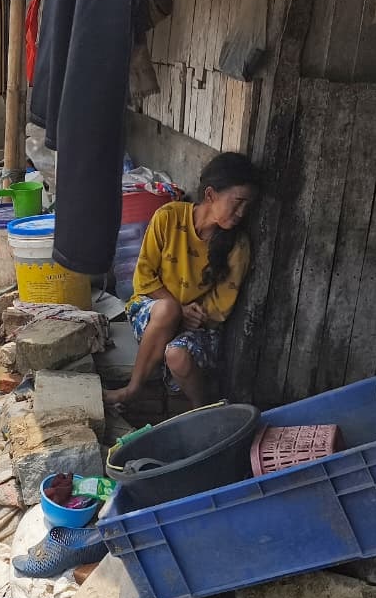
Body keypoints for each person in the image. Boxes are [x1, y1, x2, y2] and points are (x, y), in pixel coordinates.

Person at [103, 152, 260, 410]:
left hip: (197, 325)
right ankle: (133, 389)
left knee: (177, 355)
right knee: (167, 310)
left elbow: (220, 307)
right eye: (238, 202)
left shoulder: (237, 245)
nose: (242, 212)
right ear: (210, 195)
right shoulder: (169, 217)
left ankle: (204, 410)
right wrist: (178, 309)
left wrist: (191, 316)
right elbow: (144, 278)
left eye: (248, 205)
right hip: (152, 311)